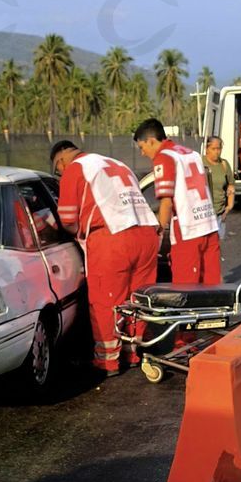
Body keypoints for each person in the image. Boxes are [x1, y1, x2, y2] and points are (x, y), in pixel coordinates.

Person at [50, 140, 159, 377]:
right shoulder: (117, 163)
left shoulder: (75, 169)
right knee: (137, 299)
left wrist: (70, 231)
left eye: (57, 170)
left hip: (112, 238)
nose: (60, 174)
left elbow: (67, 219)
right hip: (147, 234)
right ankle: (133, 352)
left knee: (106, 301)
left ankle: (107, 362)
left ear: (61, 160)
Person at [133, 118, 221, 285]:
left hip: (187, 230)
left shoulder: (163, 157)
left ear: (151, 141)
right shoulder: (191, 153)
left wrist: (158, 230)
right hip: (209, 225)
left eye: (142, 147)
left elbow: (166, 200)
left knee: (185, 288)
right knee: (213, 285)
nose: (142, 153)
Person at [203, 136, 235, 240]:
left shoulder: (224, 164)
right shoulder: (200, 162)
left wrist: (228, 207)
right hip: (203, 216)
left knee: (216, 248)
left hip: (219, 214)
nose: (217, 152)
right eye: (213, 149)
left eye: (219, 149)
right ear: (207, 149)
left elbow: (231, 185)